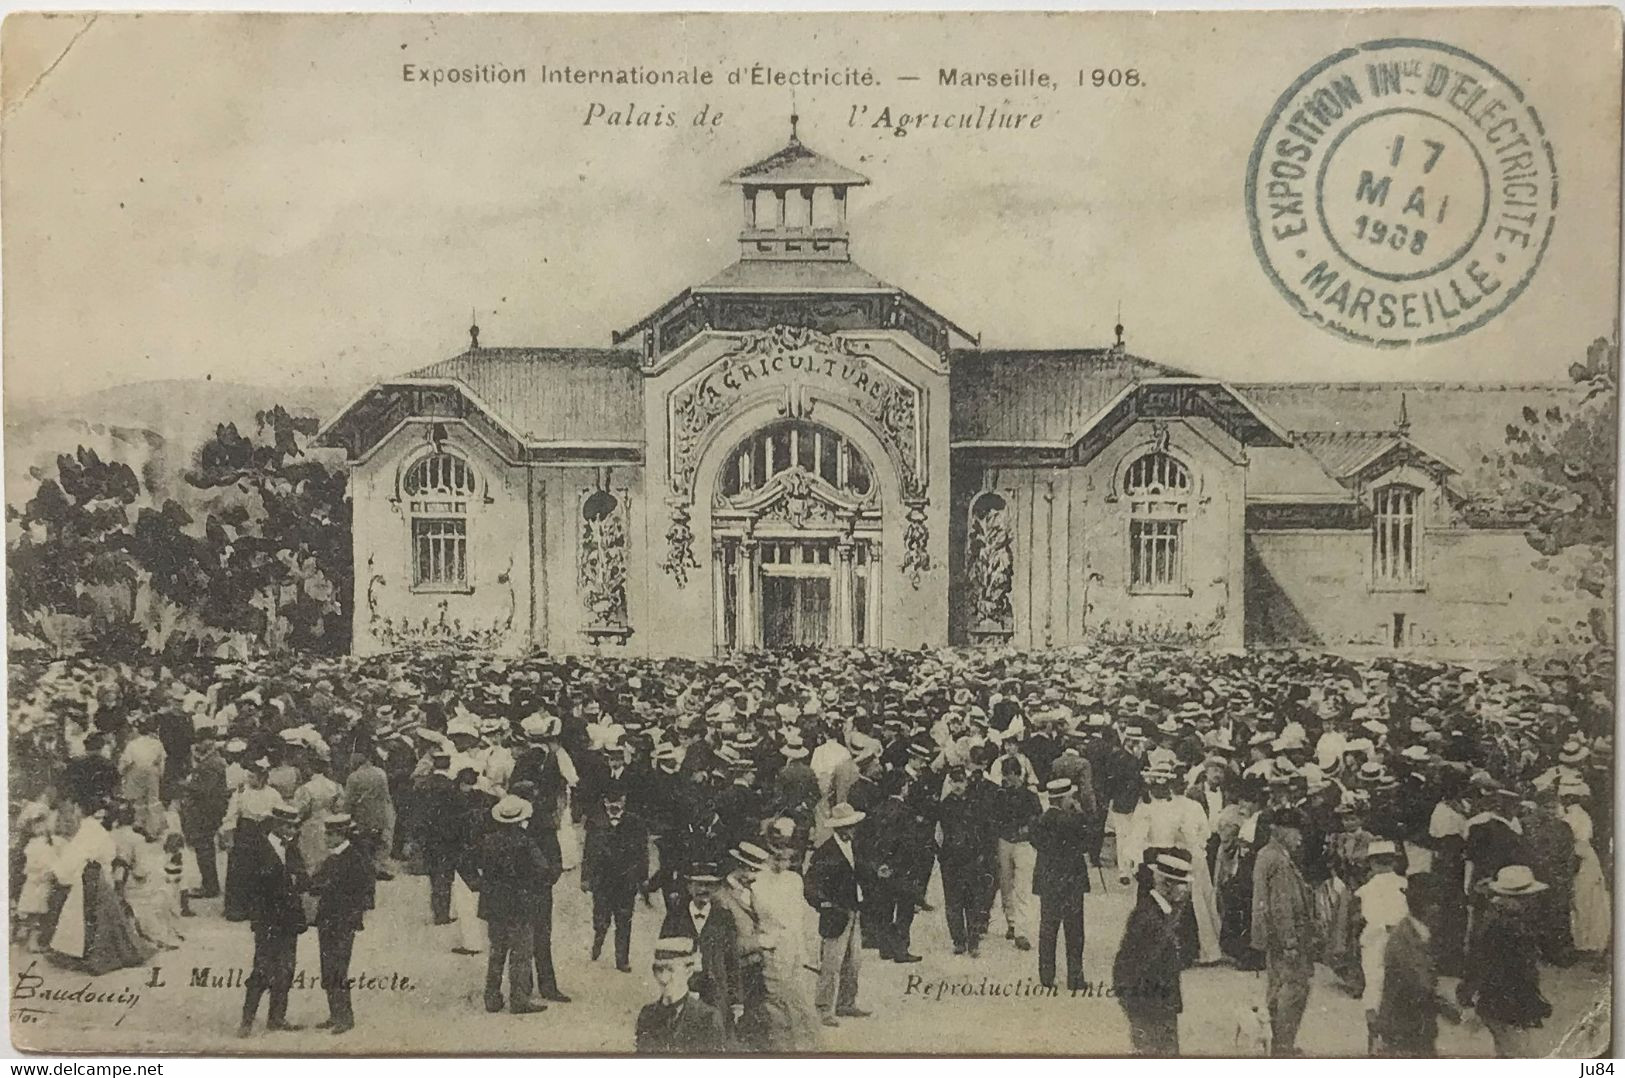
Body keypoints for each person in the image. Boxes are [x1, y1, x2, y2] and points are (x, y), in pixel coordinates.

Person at [1459, 864, 1553, 1057]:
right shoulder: (1507, 927)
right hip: (1506, 1005)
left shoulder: (1497, 918)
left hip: (1500, 1003)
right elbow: (1512, 972)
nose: (1534, 901)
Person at [473, 795, 548, 1015]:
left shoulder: (488, 841)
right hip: (520, 904)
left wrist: (480, 884)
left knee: (497, 951)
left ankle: (492, 997)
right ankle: (519, 999)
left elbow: (466, 861)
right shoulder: (526, 842)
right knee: (521, 953)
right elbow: (542, 868)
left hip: (494, 903)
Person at [750, 820, 822, 1051]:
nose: (782, 863)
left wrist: (802, 953)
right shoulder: (758, 882)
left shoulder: (794, 881)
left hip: (792, 948)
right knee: (776, 1001)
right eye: (776, 857)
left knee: (801, 1002)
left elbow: (797, 920)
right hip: (771, 948)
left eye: (787, 858)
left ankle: (806, 1047)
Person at [1251, 807, 1317, 1056]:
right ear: (1278, 830)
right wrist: (1290, 940)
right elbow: (1281, 904)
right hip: (1286, 936)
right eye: (1296, 831)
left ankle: (1278, 1043)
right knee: (1294, 990)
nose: (1300, 837)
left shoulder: (1267, 854)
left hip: (1272, 936)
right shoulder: (1278, 860)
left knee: (1278, 986)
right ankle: (1283, 1046)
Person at [239, 803, 309, 1037]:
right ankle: (247, 1020)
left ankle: (277, 1017)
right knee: (261, 969)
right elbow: (249, 884)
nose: (291, 830)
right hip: (267, 919)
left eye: (293, 826)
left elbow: (303, 878)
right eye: (288, 825)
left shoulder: (291, 849)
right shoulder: (257, 848)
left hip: (288, 919)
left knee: (286, 969)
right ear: (277, 824)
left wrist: (297, 881)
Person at [1112, 848, 1192, 1055]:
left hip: (1160, 1006)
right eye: (1183, 884)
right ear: (1167, 884)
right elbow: (1132, 966)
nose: (1187, 891)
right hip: (1151, 1008)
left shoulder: (1163, 914)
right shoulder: (1150, 918)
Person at [1375, 873, 1460, 1057]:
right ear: (1425, 906)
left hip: (1415, 1026)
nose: (1440, 909)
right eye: (1435, 903)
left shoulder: (1419, 932)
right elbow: (1420, 984)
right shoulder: (1404, 939)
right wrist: (1448, 1008)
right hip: (1403, 1028)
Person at [805, 802, 870, 1028]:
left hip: (853, 910)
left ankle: (846, 1002)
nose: (854, 829)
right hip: (836, 914)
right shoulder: (825, 851)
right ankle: (824, 1008)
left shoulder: (854, 846)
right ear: (840, 828)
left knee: (854, 961)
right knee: (831, 964)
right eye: (851, 826)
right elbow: (810, 885)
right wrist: (824, 905)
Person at [661, 862, 743, 1044]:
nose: (703, 889)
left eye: (709, 885)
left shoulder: (724, 917)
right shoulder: (675, 916)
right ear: (689, 886)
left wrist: (737, 1000)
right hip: (683, 988)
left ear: (715, 888)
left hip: (716, 991)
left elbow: (732, 961)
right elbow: (664, 956)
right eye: (698, 884)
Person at [311, 813, 369, 1035]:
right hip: (329, 920)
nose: (326, 837)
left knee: (338, 969)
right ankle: (335, 1014)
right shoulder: (336, 856)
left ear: (340, 835)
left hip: (342, 922)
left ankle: (345, 1017)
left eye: (330, 834)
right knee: (328, 968)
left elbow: (356, 891)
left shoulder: (352, 858)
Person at [1031, 777, 1092, 990]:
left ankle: (1046, 976)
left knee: (1048, 927)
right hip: (1071, 881)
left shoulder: (1040, 821)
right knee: (1074, 930)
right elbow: (1087, 842)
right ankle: (1075, 978)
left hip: (1048, 881)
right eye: (1071, 797)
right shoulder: (1074, 820)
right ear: (1064, 798)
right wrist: (1081, 812)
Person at [583, 789, 649, 974]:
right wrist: (585, 878)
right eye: (610, 801)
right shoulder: (595, 822)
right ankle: (599, 937)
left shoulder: (635, 823)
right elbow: (588, 853)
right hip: (602, 880)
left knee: (624, 919)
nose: (614, 805)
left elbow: (643, 853)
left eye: (618, 801)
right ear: (604, 802)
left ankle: (622, 959)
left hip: (625, 880)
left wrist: (643, 878)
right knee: (601, 917)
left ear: (625, 801)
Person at [937, 763, 997, 957]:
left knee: (973, 900)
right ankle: (958, 940)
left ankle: (973, 941)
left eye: (960, 781)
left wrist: (984, 854)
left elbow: (986, 830)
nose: (957, 786)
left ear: (966, 781)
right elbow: (939, 834)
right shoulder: (945, 805)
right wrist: (942, 856)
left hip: (973, 859)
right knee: (953, 901)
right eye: (954, 782)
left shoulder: (976, 803)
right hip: (952, 860)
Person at [1353, 840, 1408, 1051]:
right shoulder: (1405, 885)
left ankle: (1375, 1038)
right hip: (1401, 941)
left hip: (1375, 942)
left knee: (1374, 988)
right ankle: (1394, 1038)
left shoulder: (1365, 890)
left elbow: (1358, 919)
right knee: (1398, 986)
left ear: (1372, 863)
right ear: (1394, 862)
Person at [635, 937, 728, 1054]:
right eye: (658, 969)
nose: (663, 978)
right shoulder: (647, 1015)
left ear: (688, 971)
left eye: (670, 969)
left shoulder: (708, 1019)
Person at [988, 758, 1038, 952]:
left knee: (1023, 887)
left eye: (1008, 774)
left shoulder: (1030, 796)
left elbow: (1038, 818)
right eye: (1004, 774)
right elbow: (993, 818)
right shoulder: (999, 795)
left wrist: (1028, 827)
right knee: (1006, 884)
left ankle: (1021, 930)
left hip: (1023, 843)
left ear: (1018, 775)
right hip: (1004, 841)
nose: (1005, 779)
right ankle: (1011, 921)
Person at [1559, 780, 1610, 962]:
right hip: (1585, 856)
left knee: (1583, 899)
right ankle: (1586, 941)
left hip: (1581, 858)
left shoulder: (1574, 816)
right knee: (1586, 900)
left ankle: (1586, 942)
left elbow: (1578, 843)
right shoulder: (1581, 815)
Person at [179, 737, 229, 901]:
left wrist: (185, 785)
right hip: (211, 809)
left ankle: (209, 885)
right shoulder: (213, 761)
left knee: (204, 848)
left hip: (205, 811)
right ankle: (209, 884)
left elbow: (204, 789)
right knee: (205, 847)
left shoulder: (210, 764)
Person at [343, 738, 396, 882]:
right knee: (378, 842)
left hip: (362, 815)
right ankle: (377, 867)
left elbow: (348, 801)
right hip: (380, 813)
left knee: (364, 843)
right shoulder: (380, 773)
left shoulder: (353, 777)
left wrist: (345, 814)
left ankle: (367, 870)